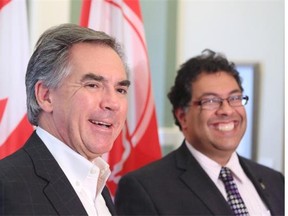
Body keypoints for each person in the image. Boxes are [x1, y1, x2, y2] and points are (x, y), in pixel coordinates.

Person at [114, 49, 284, 215]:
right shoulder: (145, 188)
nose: (226, 110)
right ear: (182, 116)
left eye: (234, 98)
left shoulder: (274, 180)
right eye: (210, 101)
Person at [0, 23, 130, 216]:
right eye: (93, 85)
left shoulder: (97, 185)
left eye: (120, 90)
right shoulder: (6, 188)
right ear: (45, 96)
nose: (113, 103)